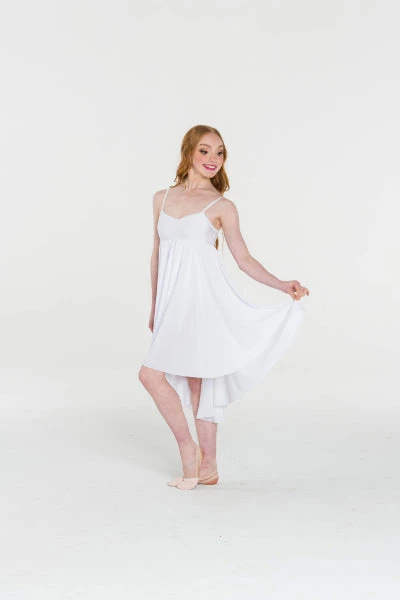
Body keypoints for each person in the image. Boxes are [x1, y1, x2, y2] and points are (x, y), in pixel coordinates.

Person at [138, 124, 309, 491]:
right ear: (188, 152)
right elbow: (157, 255)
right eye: (204, 150)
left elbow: (243, 259)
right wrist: (155, 307)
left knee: (193, 380)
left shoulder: (222, 206)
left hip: (202, 303)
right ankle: (201, 459)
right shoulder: (161, 199)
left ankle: (199, 459)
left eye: (219, 152)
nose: (213, 158)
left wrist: (282, 284)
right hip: (171, 304)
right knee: (160, 376)